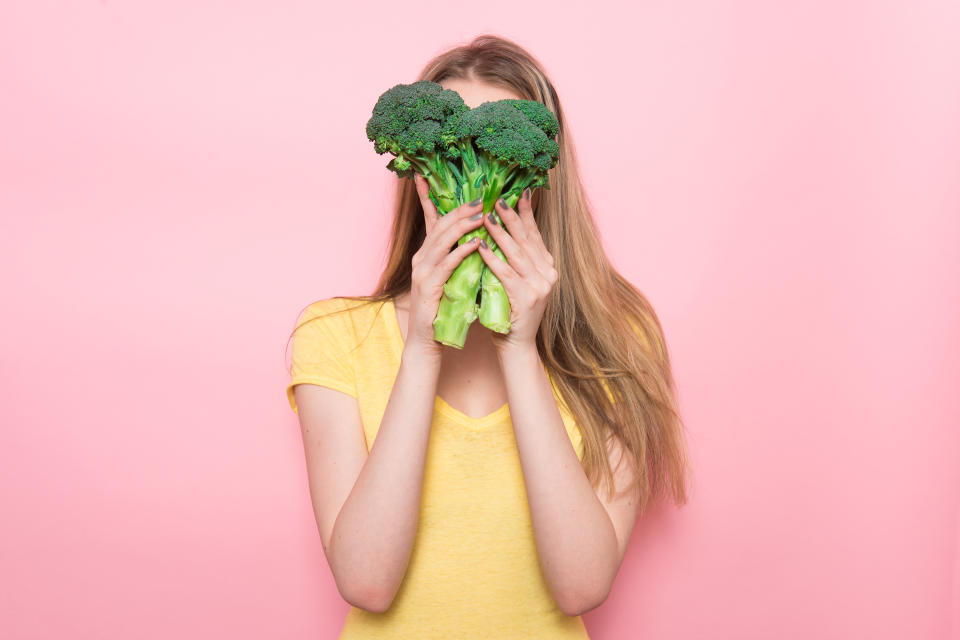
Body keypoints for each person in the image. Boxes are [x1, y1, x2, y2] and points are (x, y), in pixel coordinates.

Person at [285, 34, 691, 639]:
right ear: (416, 172)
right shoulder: (334, 336)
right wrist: (423, 346)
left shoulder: (617, 338)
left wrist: (518, 348)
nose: (472, 184)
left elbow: (581, 586)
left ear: (543, 173)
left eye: (493, 150)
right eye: (452, 150)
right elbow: (366, 583)